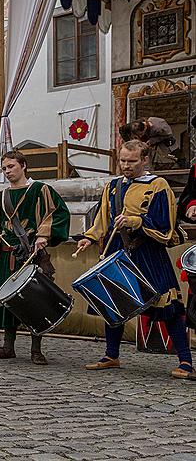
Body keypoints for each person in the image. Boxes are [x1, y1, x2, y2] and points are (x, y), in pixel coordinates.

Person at [76, 140, 194, 379]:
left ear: (145, 160)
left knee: (167, 306)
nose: (126, 166)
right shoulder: (113, 186)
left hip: (148, 252)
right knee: (114, 301)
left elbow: (166, 224)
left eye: (131, 161)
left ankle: (185, 362)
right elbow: (102, 219)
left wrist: (136, 221)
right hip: (118, 251)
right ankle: (111, 355)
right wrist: (89, 237)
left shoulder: (158, 185)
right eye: (122, 161)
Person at [0, 150, 71, 365]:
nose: (7, 171)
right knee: (9, 299)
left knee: (34, 300)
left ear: (23, 166)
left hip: (32, 255)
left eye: (11, 166)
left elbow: (59, 214)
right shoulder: (1, 197)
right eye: (4, 168)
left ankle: (36, 349)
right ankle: (7, 346)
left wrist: (43, 235)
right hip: (7, 255)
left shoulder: (41, 190)